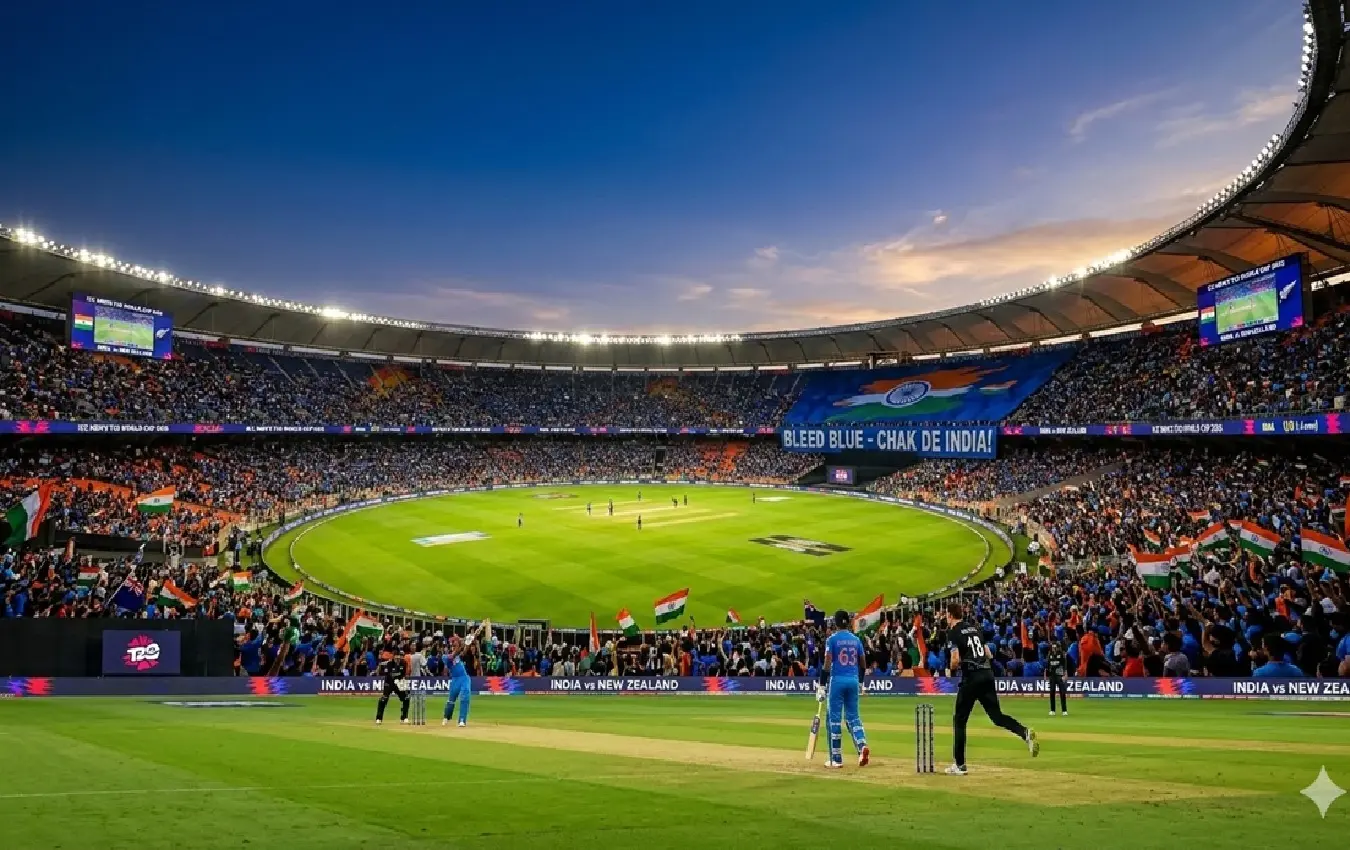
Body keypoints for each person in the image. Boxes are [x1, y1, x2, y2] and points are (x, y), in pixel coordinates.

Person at [945, 602, 1038, 774]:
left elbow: (955, 660)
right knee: (997, 716)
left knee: (959, 720)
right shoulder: (974, 629)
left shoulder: (953, 633)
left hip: (971, 677)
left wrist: (950, 669)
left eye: (946, 614)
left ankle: (959, 765)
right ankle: (1024, 732)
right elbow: (989, 653)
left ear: (950, 615)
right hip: (987, 674)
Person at [818, 609, 869, 769]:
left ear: (835, 623)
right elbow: (863, 663)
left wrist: (821, 685)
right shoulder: (856, 640)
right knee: (853, 717)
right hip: (853, 680)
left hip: (837, 681)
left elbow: (827, 664)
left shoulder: (832, 640)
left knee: (834, 719)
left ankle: (836, 758)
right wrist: (861, 682)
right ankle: (862, 747)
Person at [444, 620, 488, 727]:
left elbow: (463, 651)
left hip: (464, 678)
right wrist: (465, 642)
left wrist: (469, 641)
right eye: (453, 644)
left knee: (465, 697)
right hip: (455, 680)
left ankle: (462, 720)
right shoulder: (445, 657)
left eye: (455, 644)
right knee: (451, 700)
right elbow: (454, 655)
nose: (454, 646)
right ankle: (447, 716)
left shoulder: (459, 654)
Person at [374, 646, 410, 725]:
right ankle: (379, 718)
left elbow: (403, 675)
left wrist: (403, 684)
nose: (398, 658)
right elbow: (389, 675)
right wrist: (395, 679)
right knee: (383, 699)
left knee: (406, 698)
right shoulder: (389, 664)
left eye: (399, 656)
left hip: (399, 683)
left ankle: (404, 717)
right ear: (393, 656)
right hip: (389, 683)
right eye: (396, 656)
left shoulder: (403, 663)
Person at [1045, 640, 1069, 716]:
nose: (1054, 649)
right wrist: (1045, 675)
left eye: (1055, 647)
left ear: (1058, 648)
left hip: (1059, 675)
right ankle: (1052, 710)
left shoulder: (1061, 654)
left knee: (1062, 693)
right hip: (1052, 676)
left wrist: (1065, 674)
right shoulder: (1050, 654)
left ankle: (1064, 710)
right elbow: (1048, 665)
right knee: (1052, 692)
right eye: (1052, 647)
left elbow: (1064, 665)